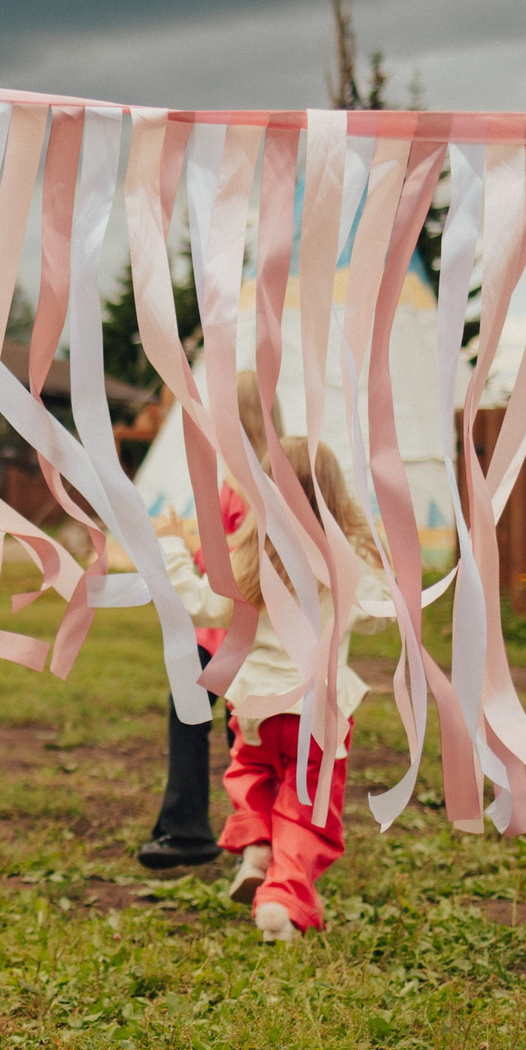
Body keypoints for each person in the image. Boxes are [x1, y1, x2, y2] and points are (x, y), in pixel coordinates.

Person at [154, 438, 387, 943]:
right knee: (308, 805)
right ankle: (281, 902)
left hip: (256, 708)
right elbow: (380, 616)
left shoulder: (250, 560)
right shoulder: (343, 566)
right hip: (317, 712)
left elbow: (201, 606)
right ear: (335, 495)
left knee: (254, 775)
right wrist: (379, 554)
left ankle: (258, 849)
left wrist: (172, 544)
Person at [137, 372, 268, 871]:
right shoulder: (237, 477)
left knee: (245, 737)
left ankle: (251, 841)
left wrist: (180, 541)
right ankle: (188, 827)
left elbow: (238, 566)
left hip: (240, 640)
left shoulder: (255, 483)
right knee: (195, 723)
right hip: (213, 639)